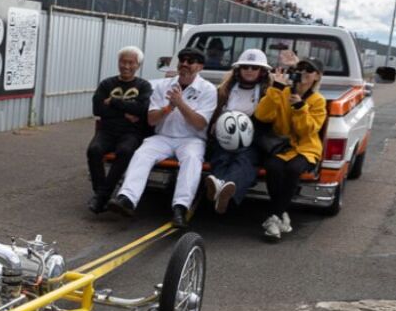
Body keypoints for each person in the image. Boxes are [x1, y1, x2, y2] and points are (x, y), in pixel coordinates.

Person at [109, 47, 217, 226]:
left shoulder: (208, 89)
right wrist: (169, 107)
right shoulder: (162, 86)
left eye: (190, 61)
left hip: (191, 139)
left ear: (200, 67)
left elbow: (200, 124)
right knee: (143, 153)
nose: (184, 64)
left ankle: (181, 207)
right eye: (182, 60)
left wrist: (180, 103)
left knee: (192, 159)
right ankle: (127, 199)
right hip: (163, 137)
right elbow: (151, 120)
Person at [253, 57, 327, 242]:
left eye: (309, 70)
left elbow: (308, 131)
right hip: (282, 146)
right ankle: (281, 214)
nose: (303, 72)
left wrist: (300, 107)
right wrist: (275, 89)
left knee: (293, 169)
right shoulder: (283, 92)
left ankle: (274, 217)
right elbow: (262, 116)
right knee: (273, 167)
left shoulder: (318, 101)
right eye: (300, 68)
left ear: (317, 76)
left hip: (307, 148)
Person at [202, 47, 274, 214]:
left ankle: (225, 190)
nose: (249, 70)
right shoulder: (224, 90)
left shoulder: (268, 93)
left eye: (254, 67)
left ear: (262, 72)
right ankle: (221, 190)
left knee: (245, 160)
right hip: (225, 137)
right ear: (238, 69)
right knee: (221, 157)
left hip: (253, 140)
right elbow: (214, 113)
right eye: (245, 67)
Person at [85, 45, 150, 213]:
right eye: (123, 62)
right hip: (106, 131)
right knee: (94, 150)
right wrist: (127, 111)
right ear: (118, 62)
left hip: (131, 132)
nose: (126, 66)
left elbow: (142, 109)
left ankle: (100, 198)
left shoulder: (144, 86)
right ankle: (102, 195)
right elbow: (98, 109)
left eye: (131, 63)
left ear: (138, 65)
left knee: (124, 151)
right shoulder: (106, 84)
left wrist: (113, 102)